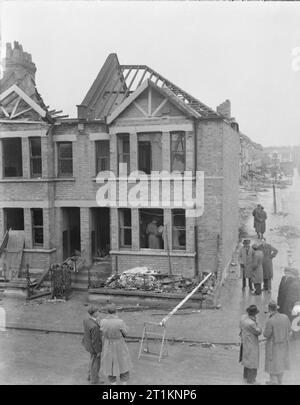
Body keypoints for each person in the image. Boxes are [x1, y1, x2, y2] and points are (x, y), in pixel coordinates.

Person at [99, 303, 132, 385]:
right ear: (116, 311)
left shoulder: (103, 322)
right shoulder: (120, 322)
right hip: (119, 345)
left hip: (108, 345)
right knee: (123, 363)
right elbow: (126, 333)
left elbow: (102, 332)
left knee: (109, 364)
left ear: (107, 311)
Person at [264, 300, 291, 385]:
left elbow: (266, 335)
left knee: (273, 366)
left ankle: (273, 382)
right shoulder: (285, 317)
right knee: (281, 364)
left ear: (269, 309)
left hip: (273, 347)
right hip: (284, 345)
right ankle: (280, 382)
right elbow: (289, 330)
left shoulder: (270, 321)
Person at [239, 305, 262, 385]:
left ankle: (245, 376)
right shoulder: (251, 323)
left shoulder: (243, 318)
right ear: (254, 314)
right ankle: (251, 380)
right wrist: (258, 323)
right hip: (252, 343)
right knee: (253, 362)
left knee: (246, 360)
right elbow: (258, 332)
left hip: (244, 341)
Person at [82, 305, 102, 384]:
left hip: (87, 343)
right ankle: (94, 379)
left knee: (92, 360)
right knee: (96, 363)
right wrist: (98, 351)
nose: (99, 312)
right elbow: (95, 341)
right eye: (97, 311)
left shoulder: (86, 320)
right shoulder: (95, 327)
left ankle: (89, 376)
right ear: (94, 313)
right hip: (93, 347)